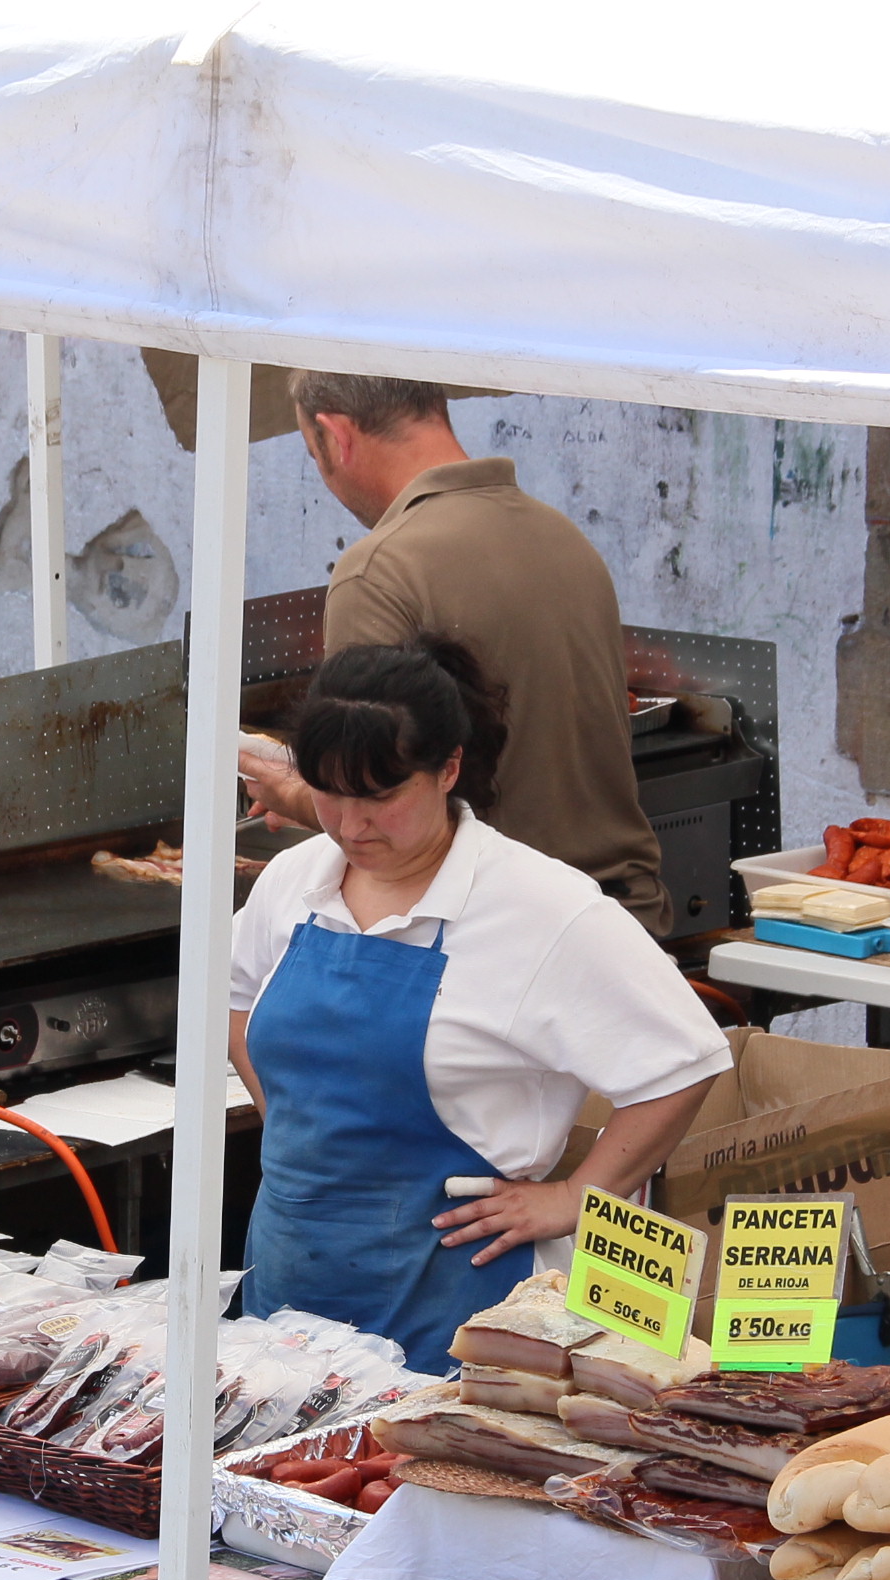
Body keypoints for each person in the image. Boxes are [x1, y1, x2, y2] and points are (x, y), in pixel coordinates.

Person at [227, 637, 729, 1370]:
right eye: (330, 793)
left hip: (458, 1304)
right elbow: (237, 999)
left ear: (448, 769)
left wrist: (576, 1197)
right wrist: (296, 1126)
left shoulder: (542, 908)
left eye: (381, 796)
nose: (352, 825)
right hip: (291, 1282)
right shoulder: (294, 880)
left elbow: (684, 1062)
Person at [246, 370, 671, 937]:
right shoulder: (565, 539)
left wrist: (295, 792)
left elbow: (380, 810)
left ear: (337, 435)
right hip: (624, 920)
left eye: (312, 452)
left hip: (503, 938)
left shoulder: (378, 571)